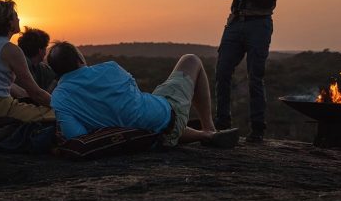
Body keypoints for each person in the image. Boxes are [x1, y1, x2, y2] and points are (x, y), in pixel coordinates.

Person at [47, 41, 239, 148]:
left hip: (143, 140)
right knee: (191, 60)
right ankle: (210, 128)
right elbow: (133, 102)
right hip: (163, 118)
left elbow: (77, 135)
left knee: (149, 121)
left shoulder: (59, 98)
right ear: (80, 59)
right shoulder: (110, 69)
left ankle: (205, 136)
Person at [209, 0, 283, 142]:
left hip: (258, 24)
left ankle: (257, 129)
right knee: (222, 73)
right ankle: (223, 124)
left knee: (255, 77)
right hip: (235, 23)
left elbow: (269, 0)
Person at [17, 27, 57, 92]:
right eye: (45, 48)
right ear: (40, 51)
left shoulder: (41, 67)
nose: (45, 52)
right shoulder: (23, 67)